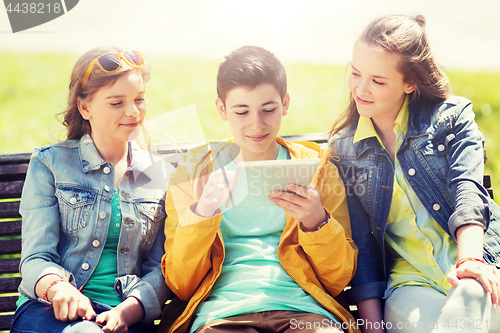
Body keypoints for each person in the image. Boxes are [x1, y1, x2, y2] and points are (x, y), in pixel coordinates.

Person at [158, 45, 360, 333]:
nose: (257, 124)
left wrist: (318, 222)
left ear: (285, 103)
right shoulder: (193, 172)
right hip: (221, 315)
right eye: (242, 112)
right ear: (222, 109)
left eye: (268, 110)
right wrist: (202, 214)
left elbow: (338, 279)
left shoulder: (316, 169)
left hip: (303, 311)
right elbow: (181, 283)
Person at [329, 14, 500, 333]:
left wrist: (469, 265)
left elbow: (468, 191)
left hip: (480, 261)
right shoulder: (345, 150)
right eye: (355, 73)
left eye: (378, 81)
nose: (361, 89)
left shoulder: (452, 119)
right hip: (412, 286)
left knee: (470, 302)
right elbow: (362, 249)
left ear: (410, 82)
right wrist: (372, 327)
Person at [11, 47, 172, 333]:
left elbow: (160, 266)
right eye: (116, 103)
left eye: (139, 99)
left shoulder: (158, 174)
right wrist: (59, 288)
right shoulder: (51, 163)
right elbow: (36, 258)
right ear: (85, 107)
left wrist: (131, 309)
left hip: (125, 318)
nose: (133, 112)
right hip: (49, 313)